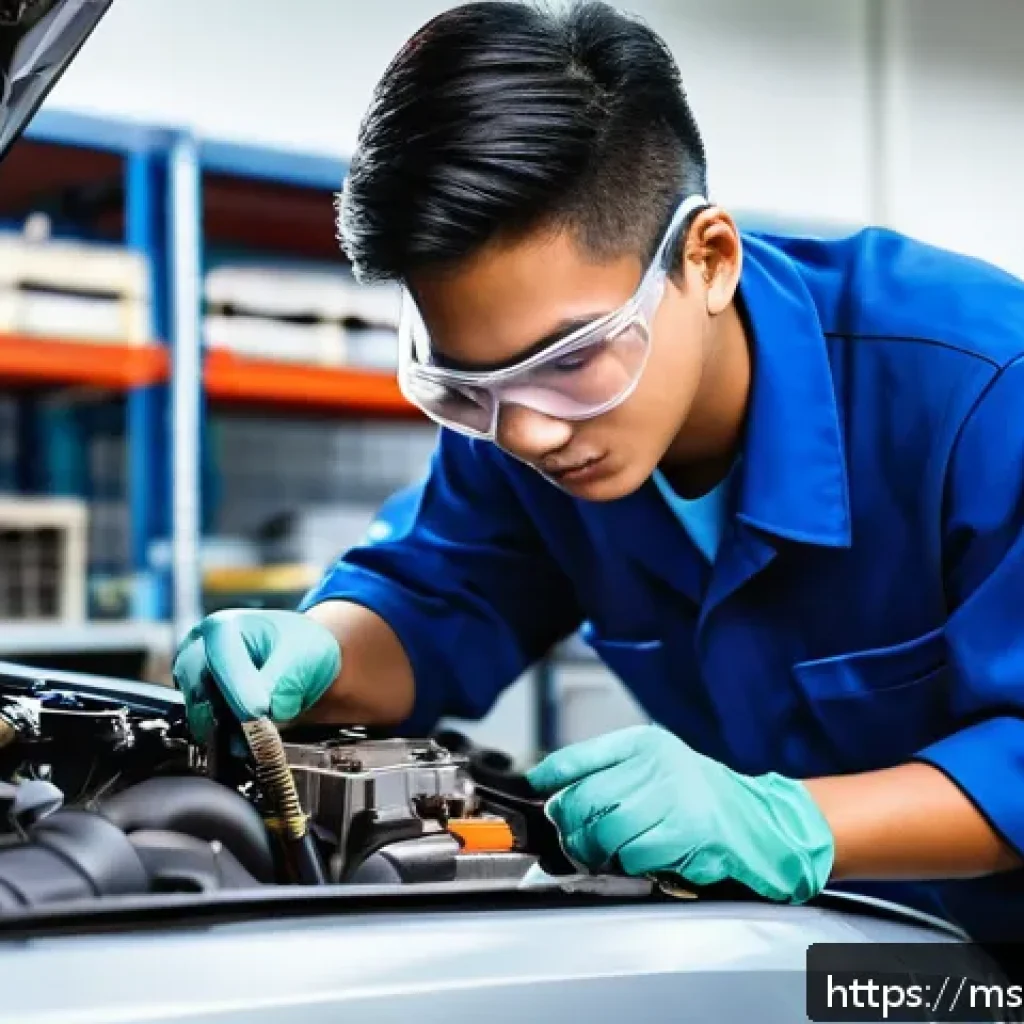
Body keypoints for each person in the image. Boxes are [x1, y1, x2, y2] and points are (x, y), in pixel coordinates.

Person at [173, 0, 1024, 942]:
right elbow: (438, 601)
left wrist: (793, 822)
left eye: (572, 361)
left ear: (708, 260)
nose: (530, 433)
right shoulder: (526, 420)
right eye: (469, 384)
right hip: (812, 952)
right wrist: (317, 651)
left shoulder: (985, 390)